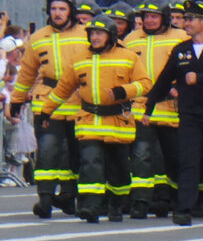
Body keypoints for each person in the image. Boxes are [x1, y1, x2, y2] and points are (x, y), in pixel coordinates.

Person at [39, 15, 151, 223]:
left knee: (119, 169)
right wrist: (46, 111)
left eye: (99, 33)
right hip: (89, 121)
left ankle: (117, 205)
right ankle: (91, 206)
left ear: (110, 35)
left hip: (118, 123)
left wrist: (123, 91)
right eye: (92, 34)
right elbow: (63, 88)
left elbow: (145, 83)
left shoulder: (128, 56)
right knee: (91, 163)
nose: (95, 37)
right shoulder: (80, 58)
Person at [143, 0, 203, 226]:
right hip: (190, 114)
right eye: (185, 19)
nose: (186, 23)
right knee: (188, 160)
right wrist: (149, 108)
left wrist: (201, 78)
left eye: (191, 19)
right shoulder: (181, 50)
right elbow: (163, 80)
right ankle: (184, 208)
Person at [10, 0, 86, 219]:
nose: (58, 13)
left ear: (71, 11)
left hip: (78, 100)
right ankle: (44, 198)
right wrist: (16, 100)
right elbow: (26, 73)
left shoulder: (85, 34)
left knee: (74, 153)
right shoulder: (38, 37)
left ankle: (68, 196)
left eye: (62, 8)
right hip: (47, 101)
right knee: (47, 151)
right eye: (54, 9)